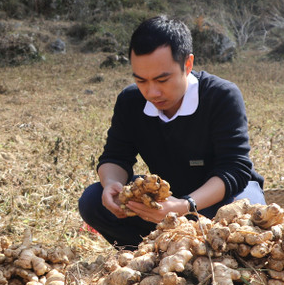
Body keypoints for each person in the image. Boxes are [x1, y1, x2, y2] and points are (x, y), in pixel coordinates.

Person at [79, 16, 265, 249]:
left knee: (247, 213)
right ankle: (150, 257)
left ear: (187, 65)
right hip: (166, 202)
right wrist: (111, 184)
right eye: (141, 80)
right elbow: (115, 157)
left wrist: (186, 205)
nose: (152, 92)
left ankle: (215, 259)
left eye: (162, 79)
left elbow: (235, 169)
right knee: (92, 200)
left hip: (220, 198)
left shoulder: (221, 96)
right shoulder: (130, 101)